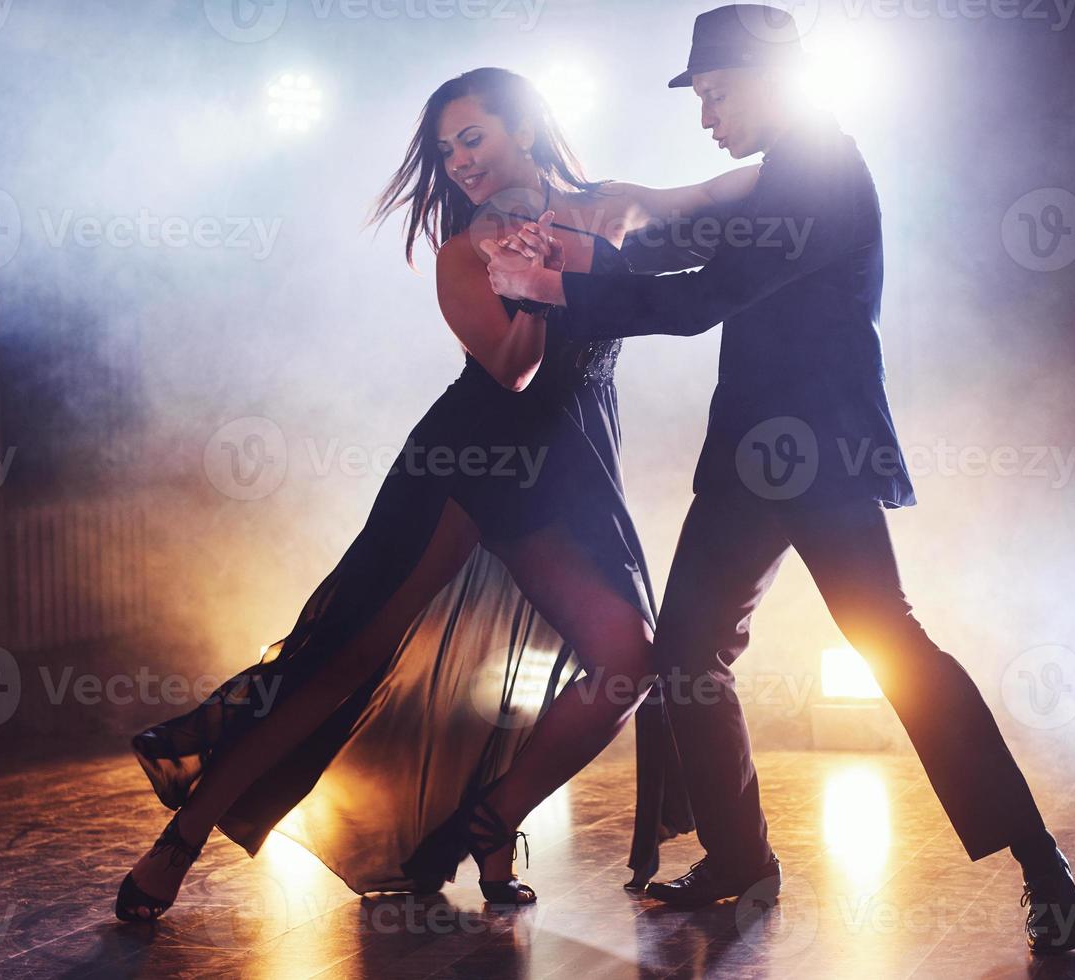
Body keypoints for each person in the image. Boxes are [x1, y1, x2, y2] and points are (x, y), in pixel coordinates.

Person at [484, 5, 1075, 954]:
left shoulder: (820, 169)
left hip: (826, 448)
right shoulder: (784, 172)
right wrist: (579, 245)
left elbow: (696, 300)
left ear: (772, 79)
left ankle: (1036, 860)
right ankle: (739, 860)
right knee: (685, 655)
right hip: (749, 457)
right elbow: (688, 249)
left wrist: (555, 286)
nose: (707, 113)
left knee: (889, 645)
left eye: (718, 92)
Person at [114, 66, 764, 921]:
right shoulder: (464, 250)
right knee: (343, 654)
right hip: (471, 458)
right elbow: (512, 371)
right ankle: (182, 838)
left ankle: (493, 820)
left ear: (522, 131)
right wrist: (529, 286)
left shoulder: (604, 204)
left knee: (627, 659)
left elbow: (709, 195)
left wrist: (804, 152)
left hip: (568, 466)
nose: (457, 161)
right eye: (445, 148)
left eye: (473, 138)